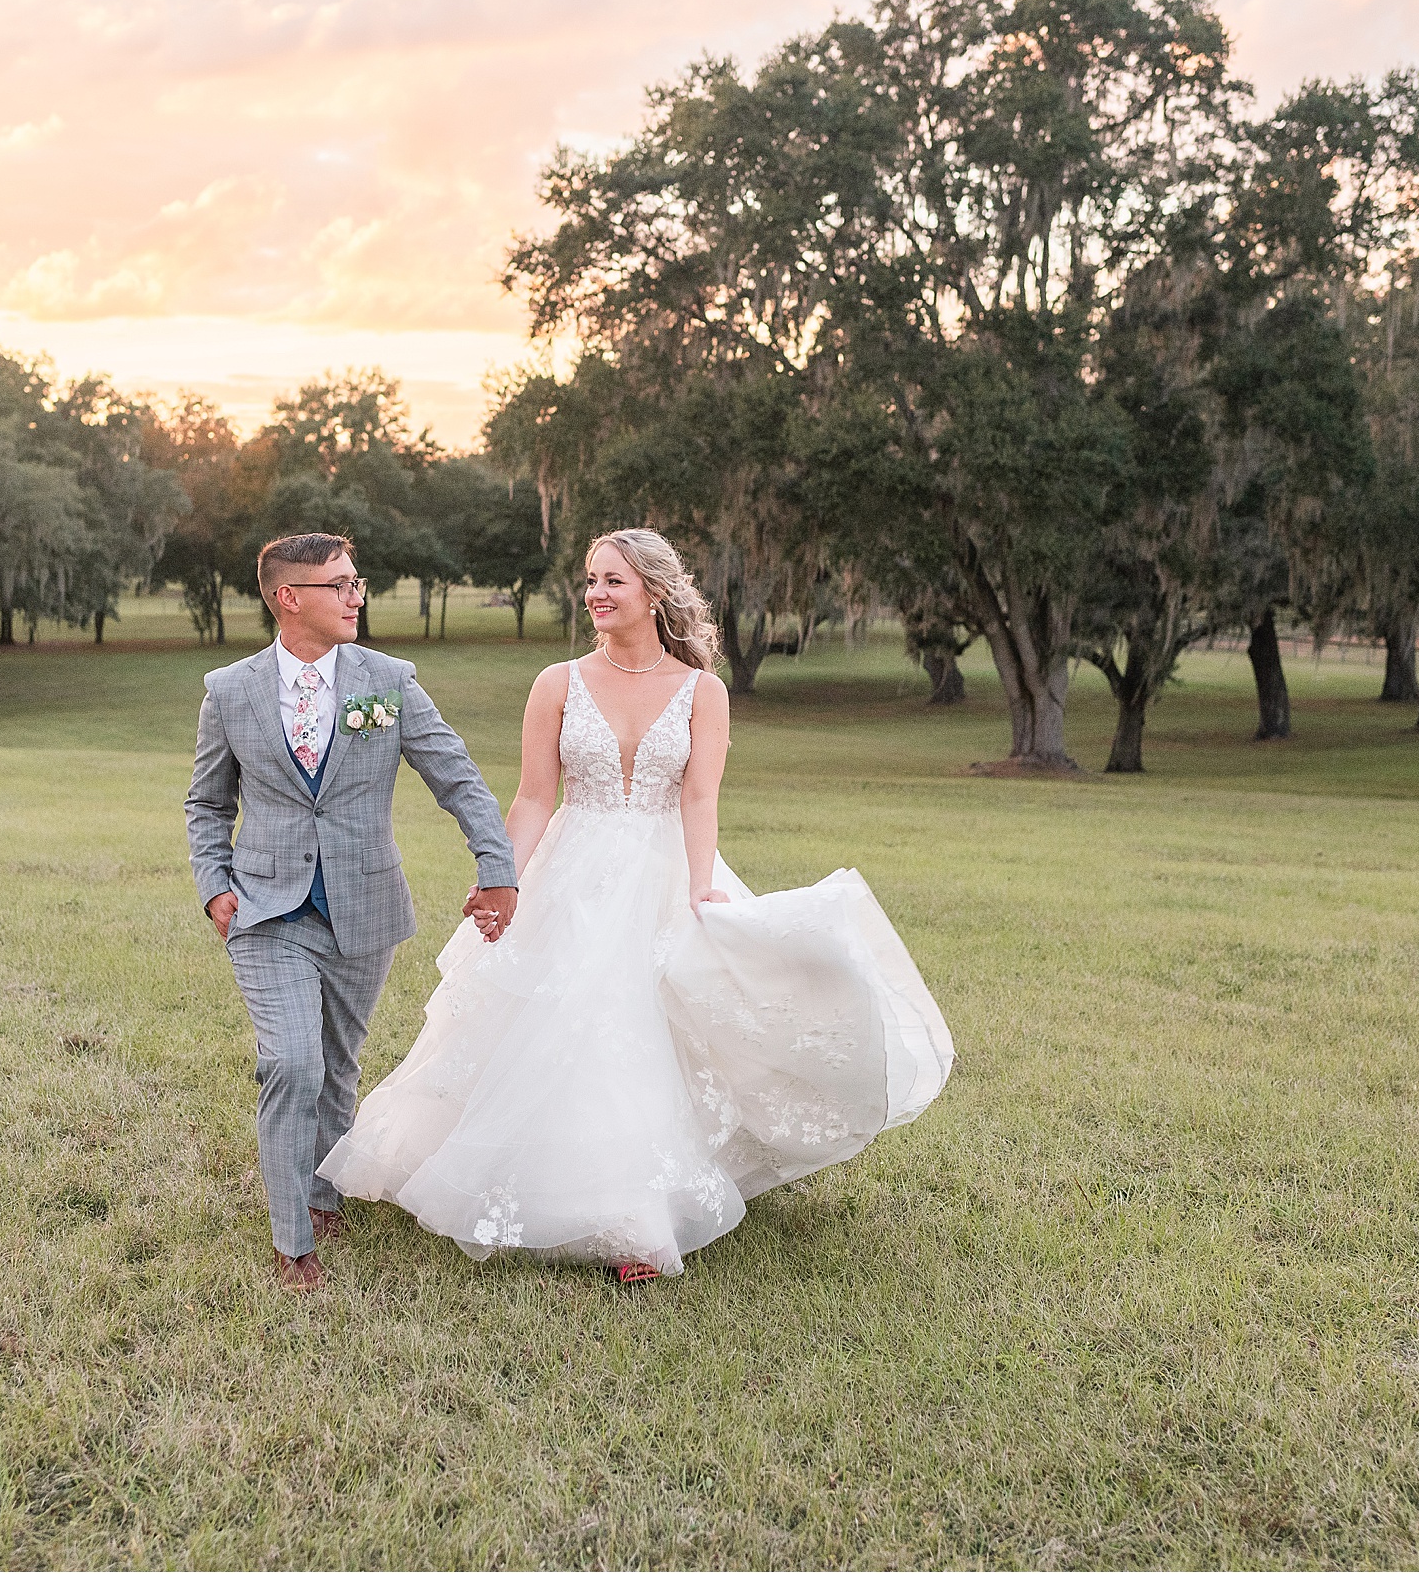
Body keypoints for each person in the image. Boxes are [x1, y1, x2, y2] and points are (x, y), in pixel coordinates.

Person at [322, 528, 952, 1281]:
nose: (595, 593)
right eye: (590, 580)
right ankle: (558, 1186)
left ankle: (639, 1218)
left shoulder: (702, 690)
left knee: (644, 1030)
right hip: (573, 870)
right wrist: (503, 876)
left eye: (612, 580)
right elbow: (530, 798)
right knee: (565, 1025)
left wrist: (696, 890)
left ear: (652, 591)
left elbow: (699, 796)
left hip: (659, 869)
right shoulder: (556, 682)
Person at [185, 532, 518, 1293]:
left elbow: (458, 777)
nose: (355, 596)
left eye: (356, 582)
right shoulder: (230, 691)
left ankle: (325, 1188)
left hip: (364, 905)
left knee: (338, 1065)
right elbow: (206, 802)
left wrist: (495, 865)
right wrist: (215, 885)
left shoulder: (389, 680)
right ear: (288, 597)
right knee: (291, 1062)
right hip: (266, 910)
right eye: (338, 585)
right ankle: (291, 1239)